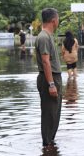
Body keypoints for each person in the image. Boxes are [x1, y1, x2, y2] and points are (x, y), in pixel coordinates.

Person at [35, 8, 62, 147]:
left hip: (54, 77)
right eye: (58, 19)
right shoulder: (44, 37)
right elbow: (45, 61)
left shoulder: (48, 36)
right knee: (49, 114)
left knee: (54, 114)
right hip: (49, 79)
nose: (58, 21)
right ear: (53, 20)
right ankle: (47, 145)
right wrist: (51, 84)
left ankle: (50, 145)